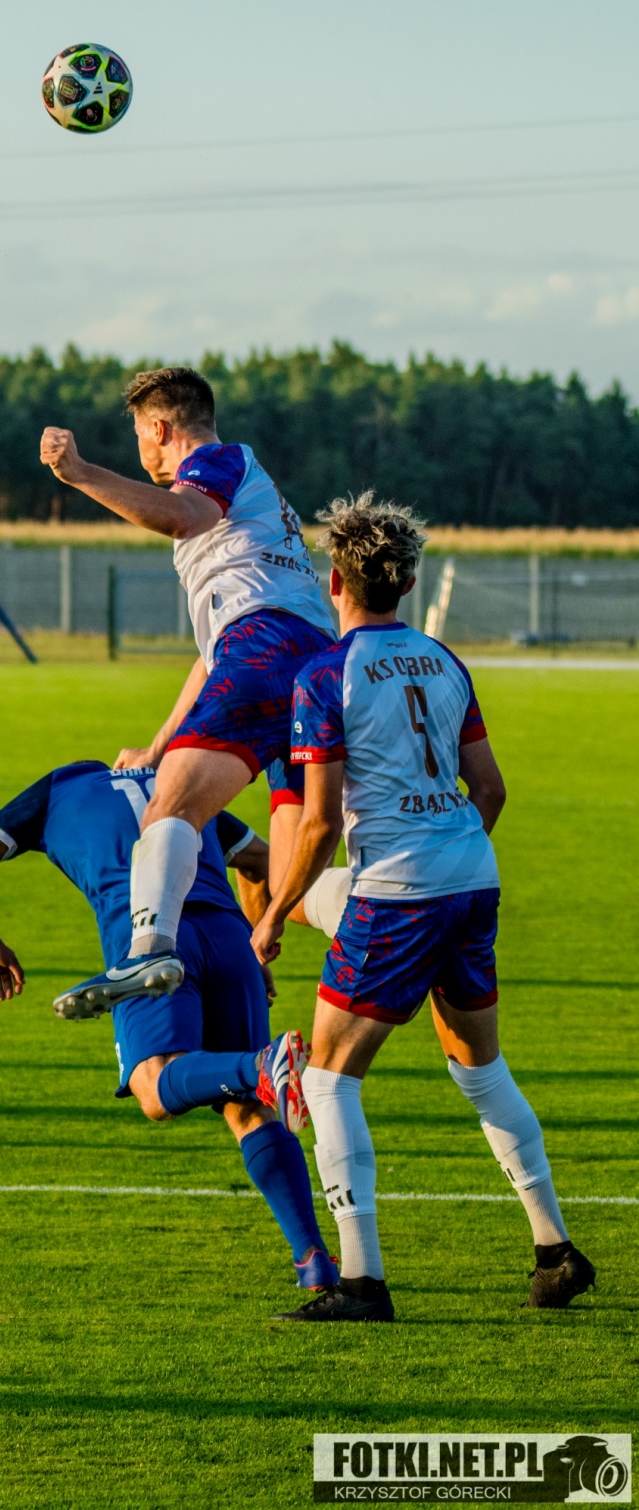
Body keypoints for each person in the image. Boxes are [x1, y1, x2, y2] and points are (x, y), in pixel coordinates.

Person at [249, 493, 595, 1320]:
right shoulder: (444, 662)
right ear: (405, 584)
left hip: (399, 897)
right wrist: (446, 853)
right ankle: (554, 1250)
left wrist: (272, 913)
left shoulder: (325, 675)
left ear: (335, 582)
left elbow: (320, 823)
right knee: (482, 1072)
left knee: (328, 1080)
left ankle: (362, 1282)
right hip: (472, 877)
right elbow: (490, 789)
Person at [0, 759, 340, 1296]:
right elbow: (259, 861)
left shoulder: (59, 787)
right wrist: (252, 941)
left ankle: (261, 1065)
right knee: (248, 1107)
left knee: (154, 1089)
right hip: (228, 939)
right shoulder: (180, 783)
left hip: (151, 945)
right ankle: (312, 1258)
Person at [39, 367, 335, 1015]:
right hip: (311, 668)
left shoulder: (215, 463)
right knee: (292, 875)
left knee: (169, 808)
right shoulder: (253, 505)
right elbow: (212, 659)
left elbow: (180, 517)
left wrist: (80, 473)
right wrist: (157, 745)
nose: (139, 453)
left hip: (266, 649)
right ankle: (403, 912)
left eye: (138, 436)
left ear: (159, 428)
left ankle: (149, 951)